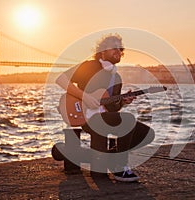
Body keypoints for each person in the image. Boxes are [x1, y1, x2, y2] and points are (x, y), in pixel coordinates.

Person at [56, 33, 155, 182]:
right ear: (102, 51)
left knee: (147, 133)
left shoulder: (117, 78)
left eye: (120, 48)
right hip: (85, 116)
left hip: (102, 117)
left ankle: (108, 158)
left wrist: (122, 102)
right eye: (113, 47)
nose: (118, 51)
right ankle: (118, 166)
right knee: (127, 119)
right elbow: (61, 79)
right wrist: (85, 97)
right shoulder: (90, 66)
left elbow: (112, 110)